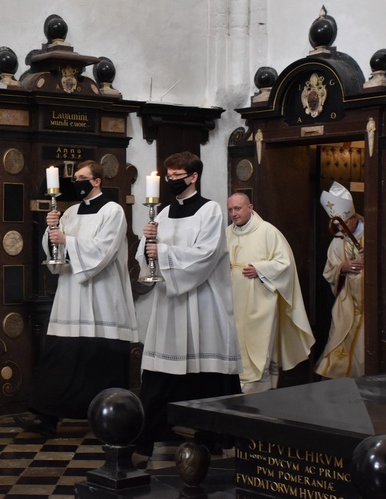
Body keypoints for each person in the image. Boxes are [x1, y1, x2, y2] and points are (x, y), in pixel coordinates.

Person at [14, 160, 139, 437]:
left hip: (103, 298)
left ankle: (110, 418)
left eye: (83, 177)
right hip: (71, 298)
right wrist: (51, 233)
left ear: (97, 181)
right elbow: (56, 260)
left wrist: (66, 240)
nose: (78, 181)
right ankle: (45, 417)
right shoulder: (69, 212)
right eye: (76, 177)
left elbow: (102, 252)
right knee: (60, 358)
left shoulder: (113, 211)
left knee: (100, 361)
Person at [134, 151, 242, 463]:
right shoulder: (164, 213)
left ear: (193, 177)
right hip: (171, 304)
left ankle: (209, 438)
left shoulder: (210, 211)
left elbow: (205, 256)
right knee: (162, 373)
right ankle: (146, 439)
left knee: (202, 374)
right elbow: (149, 259)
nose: (170, 182)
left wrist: (162, 249)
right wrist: (147, 243)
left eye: (176, 176)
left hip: (203, 304)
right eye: (167, 177)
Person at [226, 193, 315, 393]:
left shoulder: (268, 231)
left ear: (250, 208)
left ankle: (259, 390)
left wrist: (260, 269)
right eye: (230, 209)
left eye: (238, 208)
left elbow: (285, 265)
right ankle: (236, 388)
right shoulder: (227, 233)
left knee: (259, 346)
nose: (234, 214)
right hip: (233, 301)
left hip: (260, 303)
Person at [316, 181, 365, 378]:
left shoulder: (373, 234)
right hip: (346, 303)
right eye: (337, 225)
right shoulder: (337, 240)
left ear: (353, 217)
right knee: (336, 343)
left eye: (343, 225)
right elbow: (328, 272)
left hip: (367, 304)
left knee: (361, 351)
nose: (341, 230)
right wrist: (342, 268)